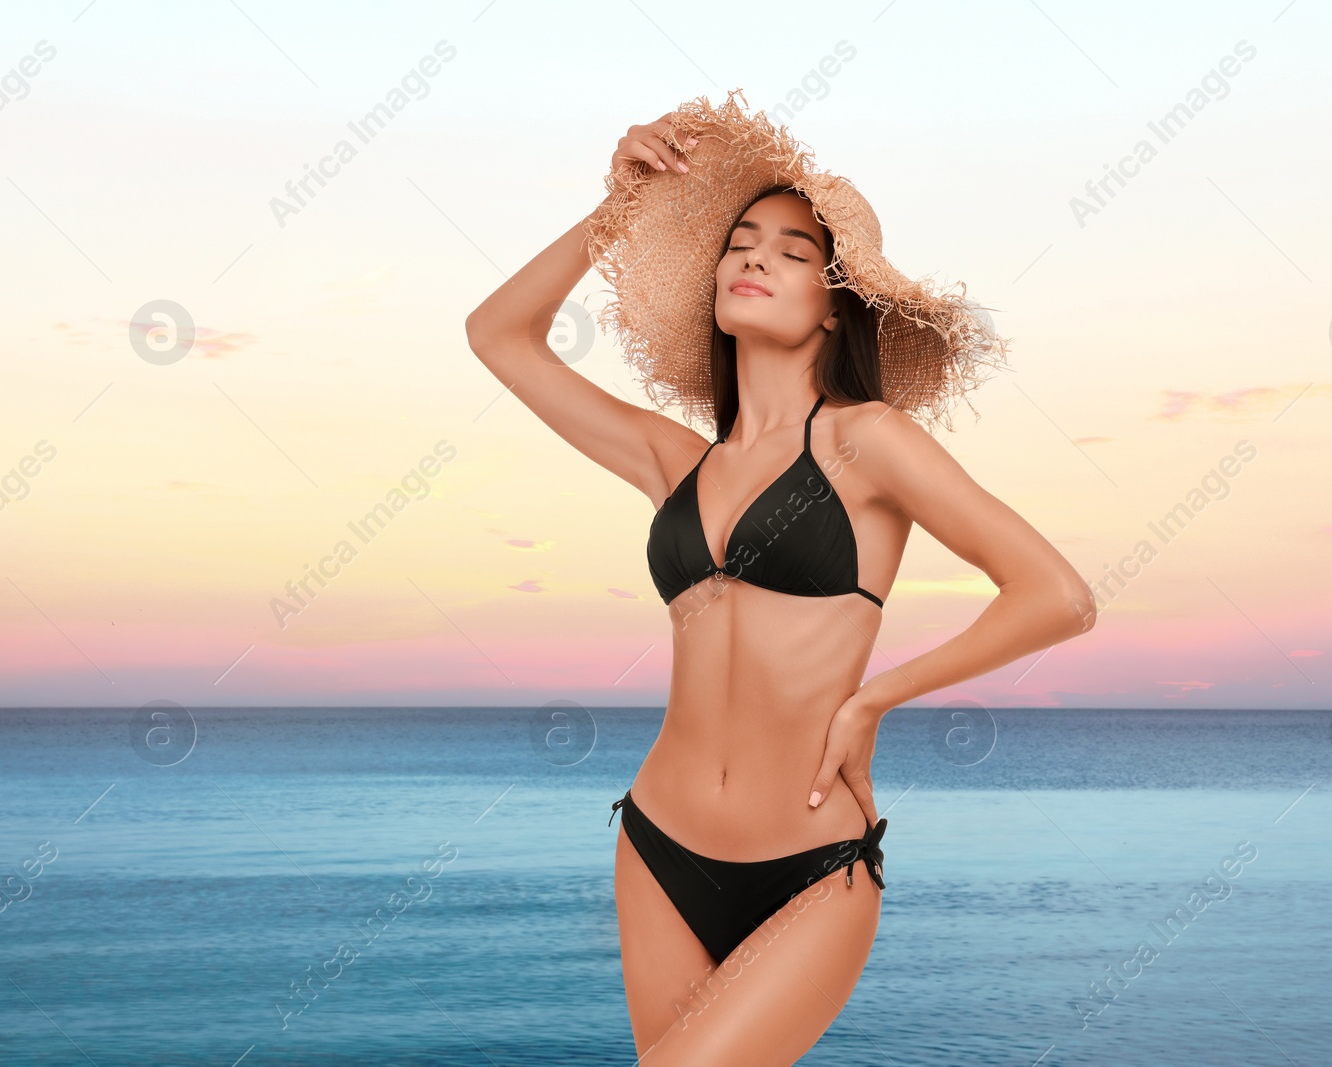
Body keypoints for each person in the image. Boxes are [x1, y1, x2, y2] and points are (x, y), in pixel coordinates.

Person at [464, 90, 1096, 1066]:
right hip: (657, 845)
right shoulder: (671, 460)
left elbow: (1056, 594)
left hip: (812, 864)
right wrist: (618, 208)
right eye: (741, 242)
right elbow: (497, 333)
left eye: (794, 251)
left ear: (835, 299)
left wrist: (876, 697)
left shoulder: (867, 441)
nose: (755, 256)